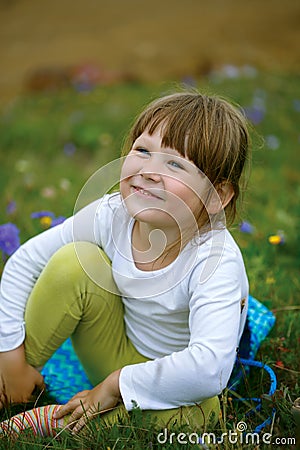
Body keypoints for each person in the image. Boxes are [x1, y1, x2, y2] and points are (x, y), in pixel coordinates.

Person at [0, 91, 250, 437]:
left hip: (173, 383)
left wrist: (119, 384)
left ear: (216, 196)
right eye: (143, 151)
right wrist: (10, 353)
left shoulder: (215, 260)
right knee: (75, 261)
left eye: (175, 164)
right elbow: (24, 262)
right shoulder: (112, 212)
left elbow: (209, 369)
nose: (149, 171)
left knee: (204, 413)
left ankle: (64, 423)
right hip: (110, 347)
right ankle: (12, 383)